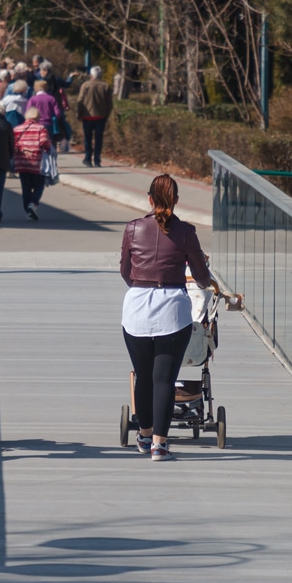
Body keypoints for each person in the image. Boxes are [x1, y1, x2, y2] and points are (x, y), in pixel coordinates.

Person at [120, 175, 213, 462]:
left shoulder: (133, 228)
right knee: (164, 380)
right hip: (172, 309)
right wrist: (204, 275)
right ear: (176, 201)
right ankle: (159, 445)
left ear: (149, 199)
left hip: (136, 308)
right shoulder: (185, 231)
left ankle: (144, 435)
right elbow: (201, 277)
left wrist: (143, 285)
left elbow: (126, 272)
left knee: (143, 377)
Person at [12, 106, 51, 221]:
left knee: (26, 188)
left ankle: (28, 210)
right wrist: (48, 147)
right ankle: (33, 204)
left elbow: (12, 144)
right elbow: (44, 142)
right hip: (37, 163)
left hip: (21, 163)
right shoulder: (41, 128)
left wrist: (23, 149)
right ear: (38, 117)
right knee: (39, 185)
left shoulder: (17, 129)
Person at [76, 66, 113, 167]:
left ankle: (88, 159)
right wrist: (106, 114)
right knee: (99, 139)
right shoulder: (105, 86)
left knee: (87, 139)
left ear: (91, 75)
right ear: (100, 75)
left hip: (87, 116)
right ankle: (97, 160)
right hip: (101, 116)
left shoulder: (85, 85)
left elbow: (80, 101)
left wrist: (79, 114)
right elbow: (109, 103)